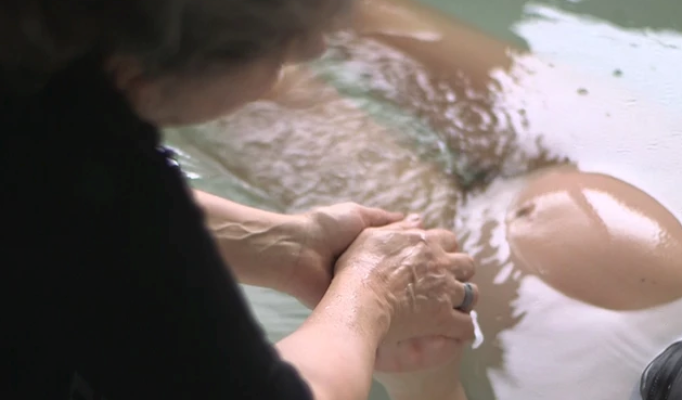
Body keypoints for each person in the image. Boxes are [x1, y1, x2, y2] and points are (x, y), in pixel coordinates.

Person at [171, 0, 682, 399]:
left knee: (240, 51)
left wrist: (420, 373)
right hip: (610, 180)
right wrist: (422, 376)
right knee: (288, 27)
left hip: (578, 206)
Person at [2, 1, 479, 399]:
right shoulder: (91, 167)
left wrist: (284, 245)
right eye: (280, 50)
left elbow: (62, 201)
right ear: (134, 76)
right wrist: (373, 297)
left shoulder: (39, 86)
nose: (315, 48)